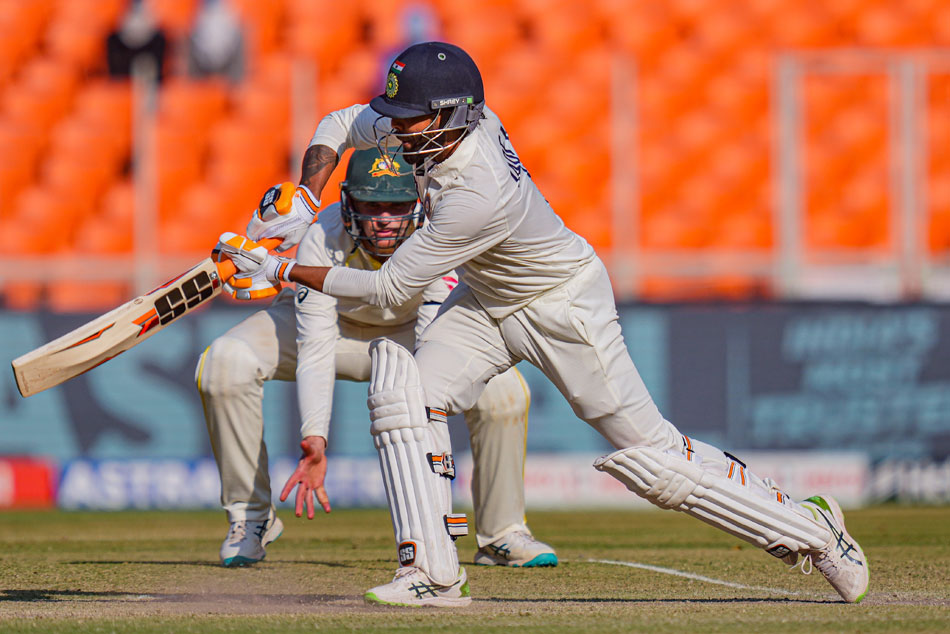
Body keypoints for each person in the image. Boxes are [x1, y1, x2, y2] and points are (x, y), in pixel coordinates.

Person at [215, 42, 869, 607]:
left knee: (653, 459)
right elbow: (338, 123)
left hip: (561, 303)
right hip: (487, 300)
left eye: (410, 119)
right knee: (405, 392)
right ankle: (431, 573)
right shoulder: (431, 124)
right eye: (397, 115)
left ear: (451, 116)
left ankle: (815, 533)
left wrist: (280, 269)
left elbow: (389, 290)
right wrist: (306, 196)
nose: (397, 130)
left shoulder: (478, 191)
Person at [199, 148, 557, 569]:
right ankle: (251, 515)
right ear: (349, 202)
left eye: (397, 206)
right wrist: (316, 439)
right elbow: (316, 344)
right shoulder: (321, 236)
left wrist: (423, 441)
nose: (385, 219)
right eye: (372, 205)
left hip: (412, 332)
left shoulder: (442, 233)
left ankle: (501, 532)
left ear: (418, 203)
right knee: (226, 362)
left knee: (504, 394)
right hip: (332, 331)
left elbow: (433, 347)